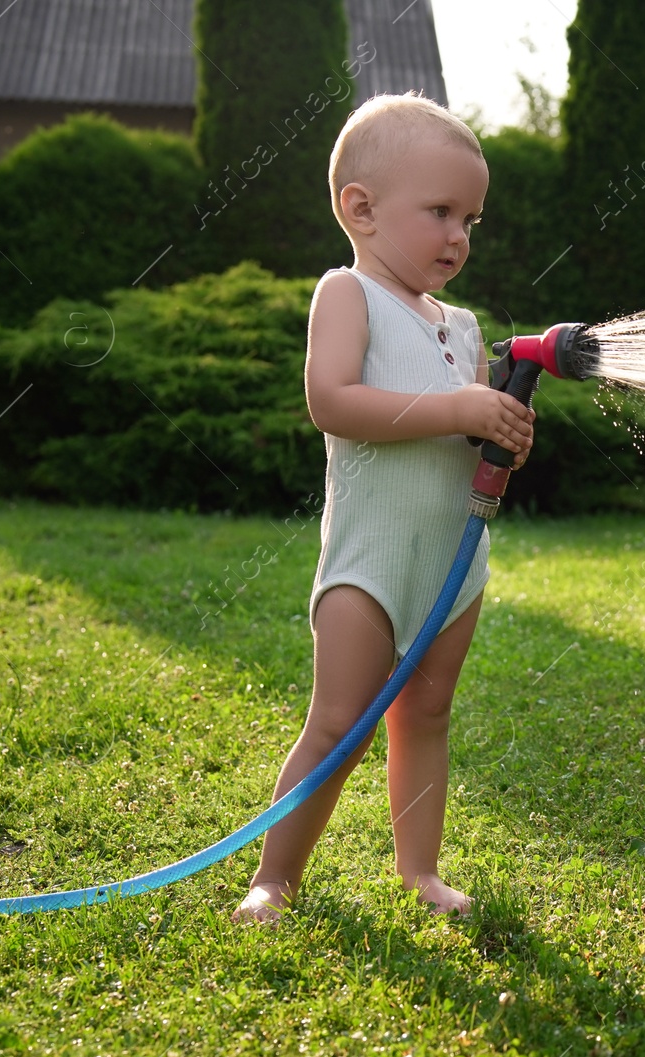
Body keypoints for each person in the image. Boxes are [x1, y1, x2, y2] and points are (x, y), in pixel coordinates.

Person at [231, 93, 534, 925]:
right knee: (337, 723)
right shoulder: (348, 295)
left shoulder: (465, 326)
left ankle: (420, 870)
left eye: (470, 217)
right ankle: (275, 878)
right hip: (370, 564)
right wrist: (459, 412)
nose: (458, 236)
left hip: (453, 564)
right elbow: (334, 401)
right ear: (359, 209)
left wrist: (498, 434)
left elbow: (466, 441)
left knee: (426, 713)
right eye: (439, 211)